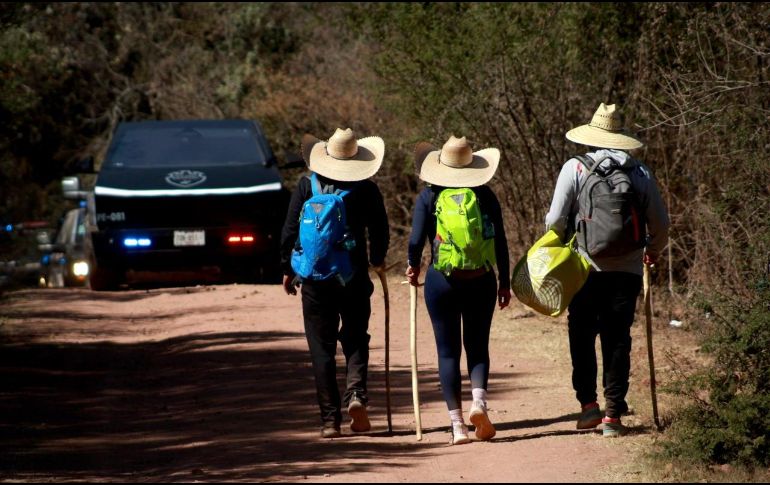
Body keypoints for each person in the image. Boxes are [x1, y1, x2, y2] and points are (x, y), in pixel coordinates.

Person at [544, 103, 670, 437]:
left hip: (583, 268)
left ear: (591, 136)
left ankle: (588, 408)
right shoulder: (639, 172)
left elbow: (555, 219)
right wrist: (652, 251)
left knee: (581, 335)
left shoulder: (575, 168)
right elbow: (660, 223)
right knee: (617, 339)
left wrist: (558, 246)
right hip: (627, 270)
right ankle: (613, 416)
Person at [280, 128, 389, 439]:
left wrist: (287, 269)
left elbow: (290, 230)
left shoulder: (305, 186)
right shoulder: (366, 190)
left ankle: (330, 421)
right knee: (355, 337)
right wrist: (377, 259)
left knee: (321, 348)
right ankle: (356, 394)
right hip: (352, 275)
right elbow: (379, 230)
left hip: (314, 278)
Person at [405, 135, 511, 445]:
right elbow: (500, 241)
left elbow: (414, 241)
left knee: (447, 351)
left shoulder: (429, 196)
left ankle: (457, 426)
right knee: (477, 346)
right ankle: (479, 403)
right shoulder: (485, 195)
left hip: (442, 281)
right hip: (481, 279)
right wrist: (504, 282)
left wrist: (413, 265)